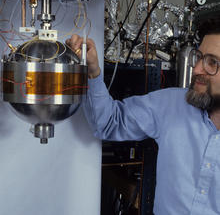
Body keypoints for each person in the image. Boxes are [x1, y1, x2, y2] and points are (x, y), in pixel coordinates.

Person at [66, 18, 220, 215]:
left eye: (212, 63)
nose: (197, 69)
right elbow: (109, 122)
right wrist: (93, 72)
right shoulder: (171, 104)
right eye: (198, 57)